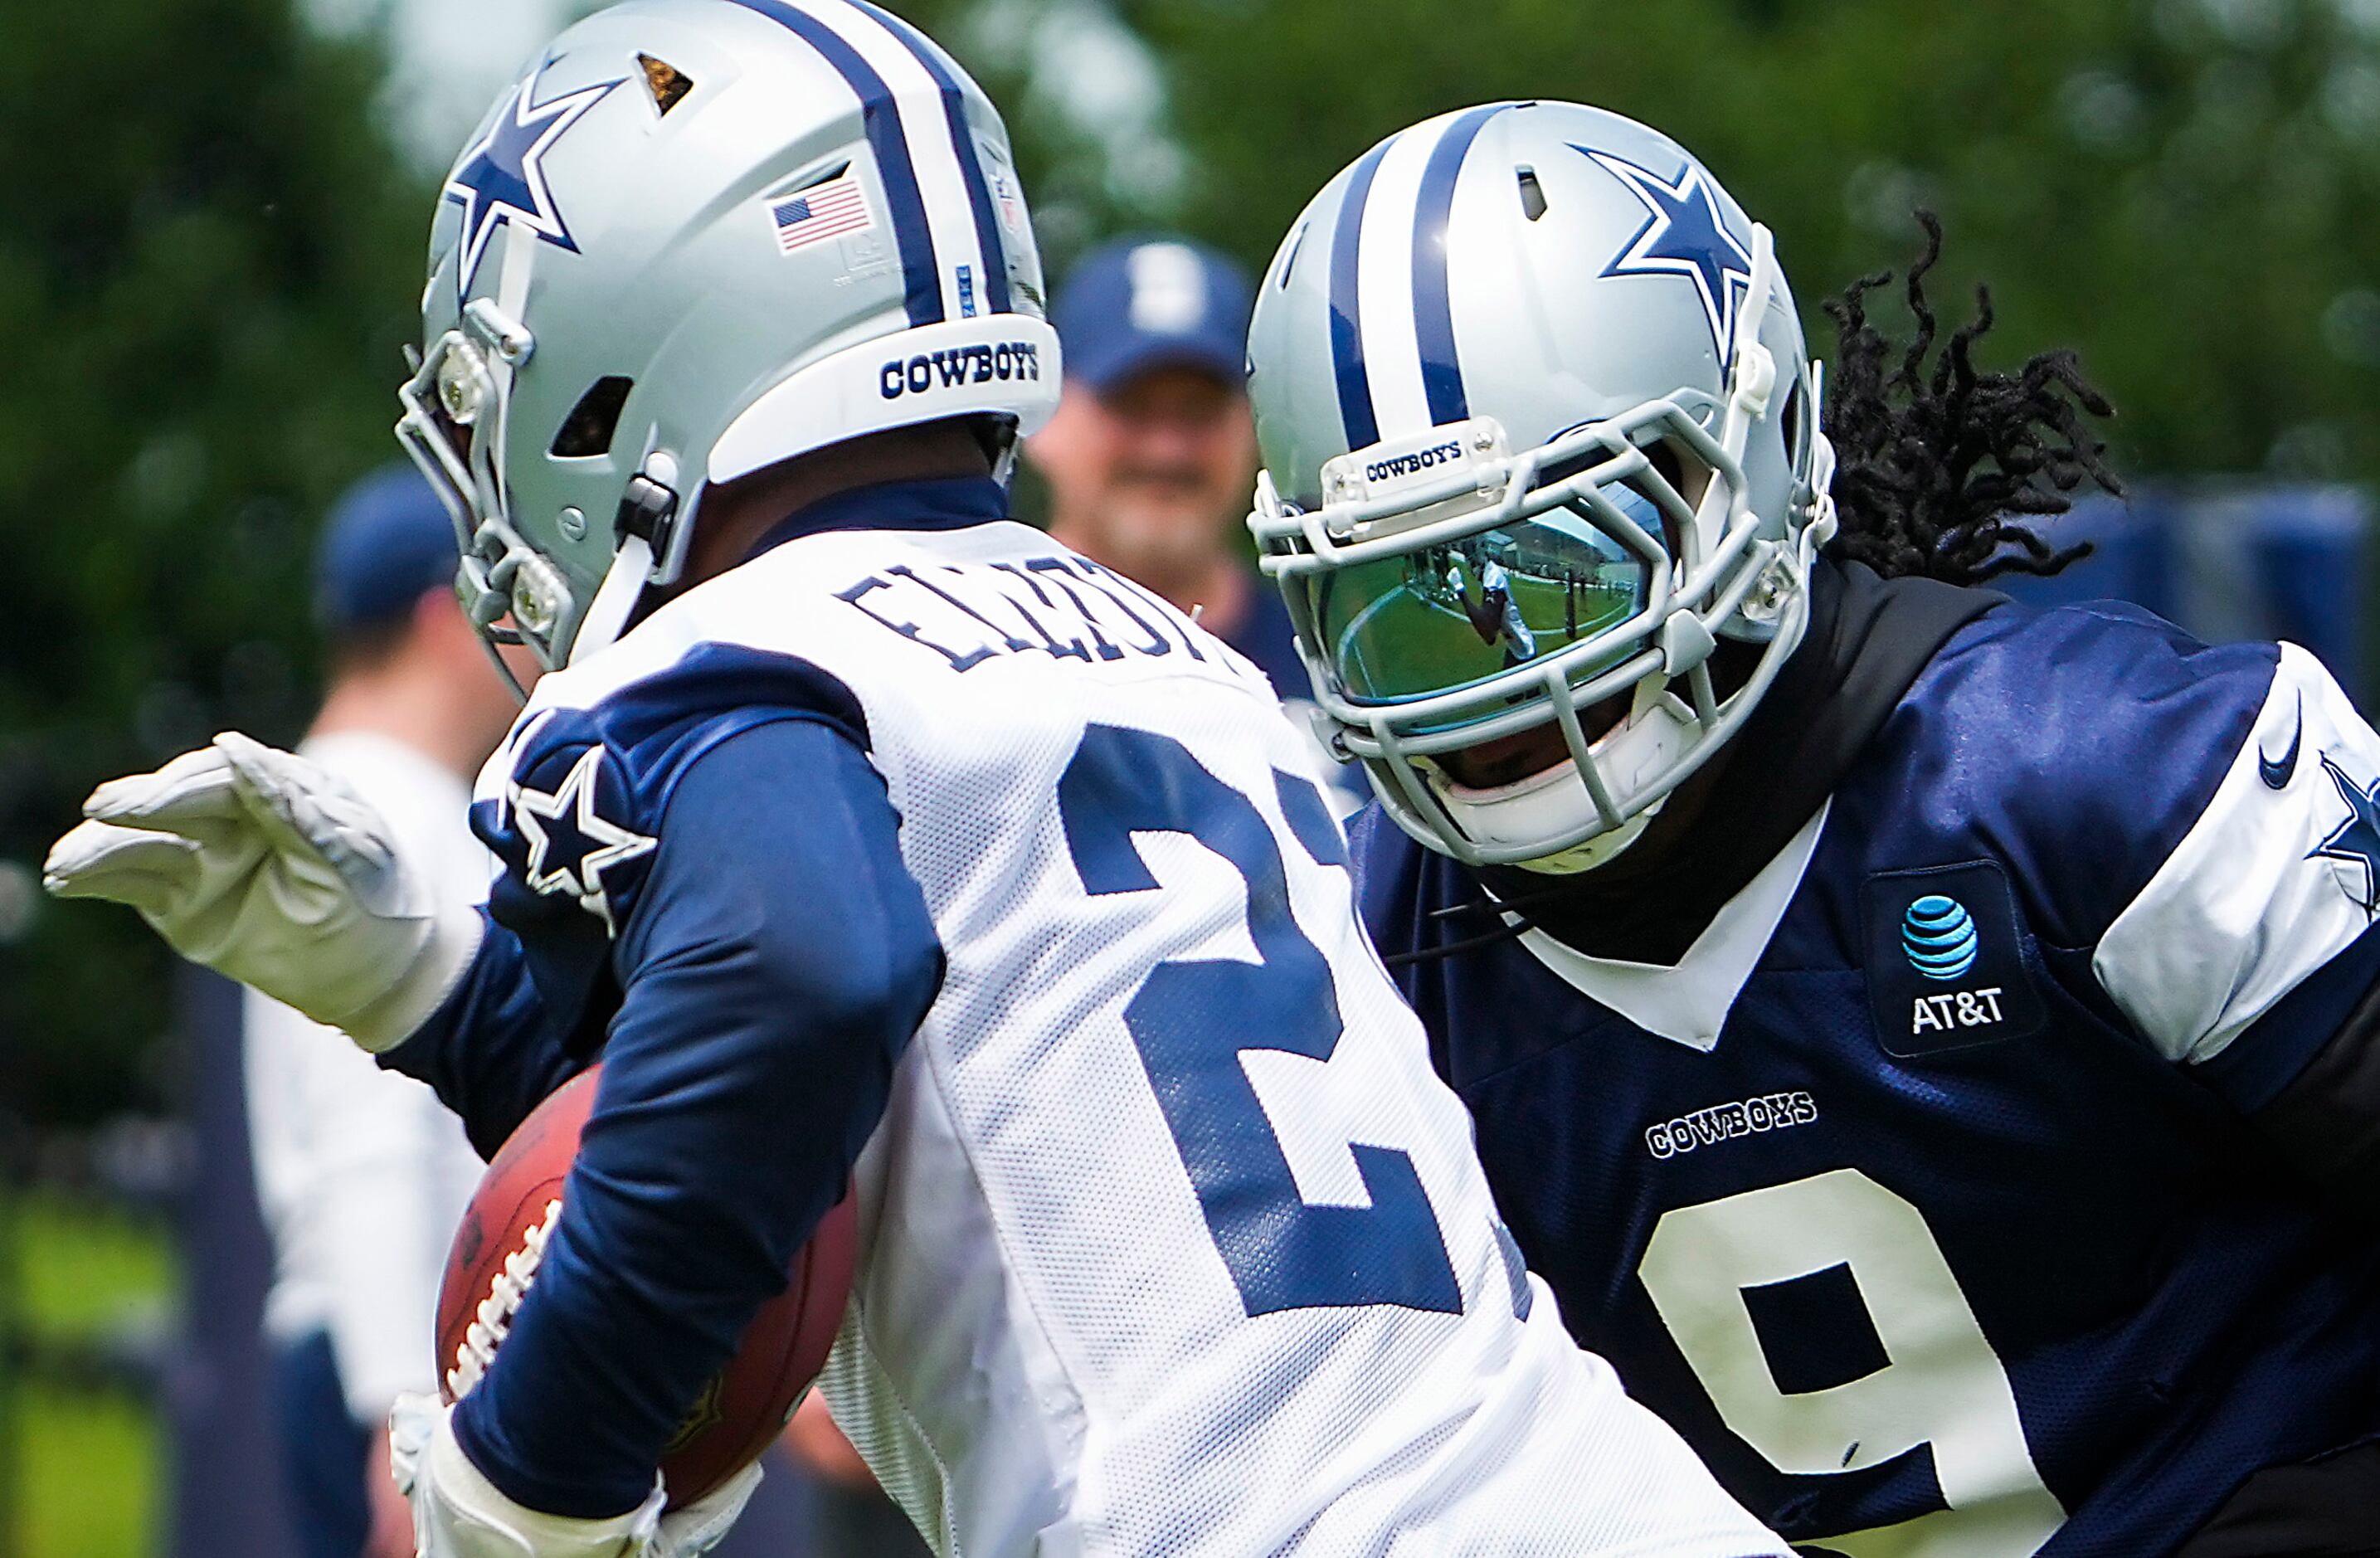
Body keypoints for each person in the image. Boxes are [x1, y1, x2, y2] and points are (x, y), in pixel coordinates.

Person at [44, 8, 1787, 1558]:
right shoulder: (1169, 649)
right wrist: (429, 990)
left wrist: (530, 1482)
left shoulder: (735, 656)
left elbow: (804, 986)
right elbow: (917, 1104)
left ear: (649, 329)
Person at [1241, 99, 2380, 1554]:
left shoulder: (2103, 776)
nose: (1501, 675)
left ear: (1753, 452)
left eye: (1561, 562)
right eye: (1403, 607)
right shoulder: (1390, 966)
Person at [246, 465, 514, 1558]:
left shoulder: (355, 800)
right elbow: (377, 1125)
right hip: (407, 1363)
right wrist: (404, 1407)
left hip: (391, 1351)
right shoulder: (376, 816)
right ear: (447, 618)